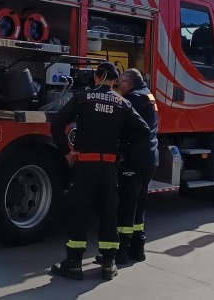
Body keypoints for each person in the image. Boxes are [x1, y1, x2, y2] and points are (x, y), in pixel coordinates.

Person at [49, 62, 151, 281]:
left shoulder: (82, 98)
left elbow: (57, 122)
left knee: (78, 211)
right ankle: (108, 264)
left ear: (98, 77)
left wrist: (67, 151)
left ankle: (74, 264)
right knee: (108, 213)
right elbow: (143, 130)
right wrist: (123, 150)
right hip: (109, 169)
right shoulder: (122, 102)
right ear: (114, 81)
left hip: (84, 166)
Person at [111, 68, 160, 264]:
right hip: (149, 158)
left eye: (120, 83)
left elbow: (124, 126)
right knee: (139, 205)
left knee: (126, 205)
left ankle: (121, 252)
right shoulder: (148, 95)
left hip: (134, 158)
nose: (118, 87)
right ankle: (138, 249)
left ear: (128, 83)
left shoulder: (134, 99)